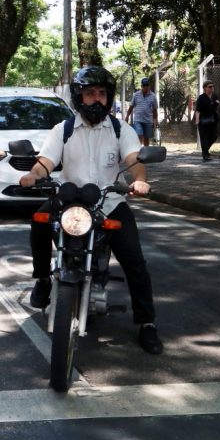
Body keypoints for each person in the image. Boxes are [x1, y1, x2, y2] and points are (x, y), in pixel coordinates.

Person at [19, 66, 163, 355]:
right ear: (79, 97)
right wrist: (33, 175)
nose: (96, 99)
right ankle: (43, 280)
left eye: (101, 94)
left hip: (109, 202)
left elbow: (134, 158)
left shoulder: (122, 129)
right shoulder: (64, 129)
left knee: (134, 259)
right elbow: (45, 161)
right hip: (70, 200)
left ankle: (147, 323)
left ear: (108, 98)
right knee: (38, 221)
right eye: (90, 94)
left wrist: (141, 181)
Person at [125, 77, 158, 147]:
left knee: (146, 138)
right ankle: (139, 150)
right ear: (141, 86)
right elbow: (131, 106)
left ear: (149, 86)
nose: (145, 87)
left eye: (147, 85)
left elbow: (155, 110)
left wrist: (155, 120)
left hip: (148, 121)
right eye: (144, 86)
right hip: (138, 120)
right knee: (139, 134)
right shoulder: (136, 95)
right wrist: (127, 116)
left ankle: (146, 152)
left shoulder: (153, 96)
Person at [194, 81, 220, 162]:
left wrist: (217, 103)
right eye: (210, 86)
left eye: (213, 86)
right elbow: (197, 110)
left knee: (214, 136)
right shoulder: (201, 98)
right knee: (204, 138)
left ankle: (205, 150)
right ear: (205, 88)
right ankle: (205, 155)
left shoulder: (214, 96)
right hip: (203, 121)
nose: (212, 88)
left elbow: (215, 105)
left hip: (213, 120)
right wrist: (197, 120)